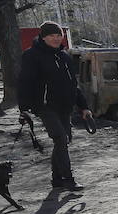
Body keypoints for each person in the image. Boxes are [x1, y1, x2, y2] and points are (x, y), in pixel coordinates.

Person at [18, 21, 92, 191]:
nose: (56, 38)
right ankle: (68, 178)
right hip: (44, 105)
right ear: (43, 37)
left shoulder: (64, 56)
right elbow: (24, 82)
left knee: (63, 141)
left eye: (59, 35)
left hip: (64, 106)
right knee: (61, 139)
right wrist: (23, 109)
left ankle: (56, 178)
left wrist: (84, 107)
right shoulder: (32, 55)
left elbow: (73, 84)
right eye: (52, 35)